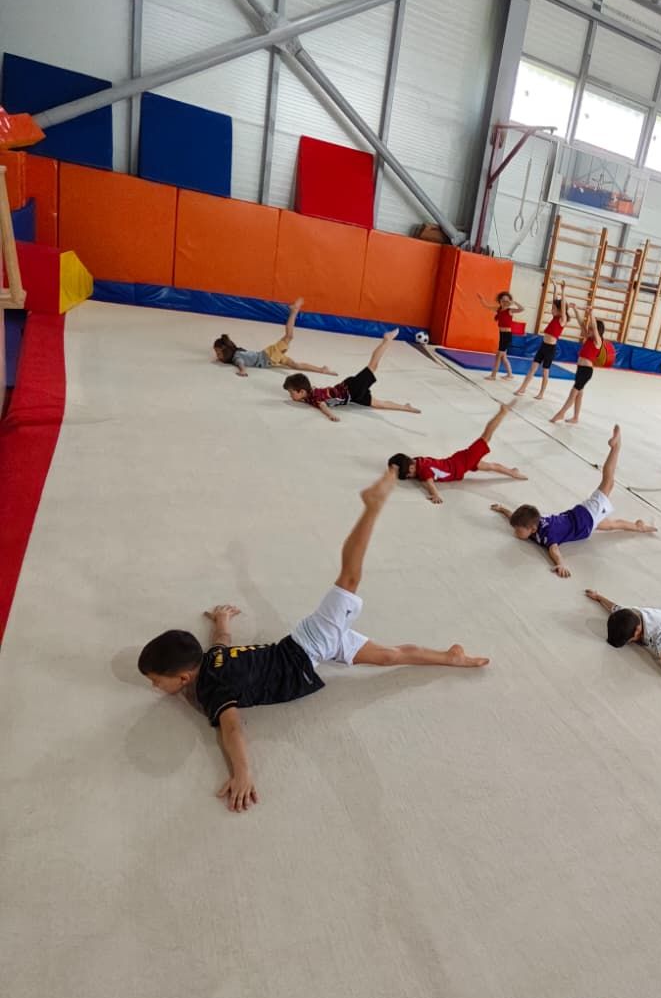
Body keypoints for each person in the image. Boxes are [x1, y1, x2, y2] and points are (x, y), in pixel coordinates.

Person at [136, 472, 489, 812]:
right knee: (387, 656)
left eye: (156, 680)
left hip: (310, 645)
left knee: (348, 579)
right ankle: (450, 657)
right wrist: (222, 619)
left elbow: (232, 729)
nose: (154, 687)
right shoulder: (211, 658)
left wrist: (242, 773)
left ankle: (372, 507)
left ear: (184, 677)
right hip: (308, 648)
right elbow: (221, 641)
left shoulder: (212, 688)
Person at [491, 424, 655, 577]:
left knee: (608, 481)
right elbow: (514, 517)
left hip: (586, 517)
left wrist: (560, 565)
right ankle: (638, 527)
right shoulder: (532, 522)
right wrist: (502, 509)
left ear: (532, 529)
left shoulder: (548, 534)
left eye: (519, 530)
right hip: (583, 520)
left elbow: (554, 551)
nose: (515, 532)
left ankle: (615, 447)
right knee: (611, 525)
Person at [388, 399, 526, 504]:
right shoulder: (417, 461)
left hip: (462, 463)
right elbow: (420, 475)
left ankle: (502, 412)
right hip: (458, 462)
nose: (410, 476)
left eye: (409, 474)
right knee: (489, 466)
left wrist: (435, 495)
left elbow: (430, 484)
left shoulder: (423, 470)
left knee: (486, 436)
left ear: (411, 466)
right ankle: (512, 472)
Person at [283, 329, 419, 421]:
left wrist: (331, 416)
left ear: (302, 391)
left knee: (373, 366)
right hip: (352, 397)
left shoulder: (315, 397)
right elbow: (311, 389)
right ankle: (405, 407)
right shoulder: (308, 395)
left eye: (291, 393)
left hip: (351, 388)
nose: (290, 396)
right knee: (378, 404)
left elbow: (323, 406)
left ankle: (387, 340)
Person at [212, 296, 334, 378]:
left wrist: (243, 371)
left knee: (289, 336)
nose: (217, 356)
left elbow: (240, 363)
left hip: (269, 356)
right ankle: (321, 369)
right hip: (270, 357)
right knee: (295, 365)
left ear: (226, 350)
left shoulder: (236, 356)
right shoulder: (237, 352)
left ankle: (294, 311)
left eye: (218, 353)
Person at [550, 309, 605, 425]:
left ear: (597, 331)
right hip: (580, 369)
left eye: (591, 328)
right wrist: (575, 310)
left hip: (586, 371)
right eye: (589, 328)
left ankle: (561, 413)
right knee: (579, 393)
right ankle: (575, 417)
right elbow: (581, 323)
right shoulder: (588, 338)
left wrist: (591, 314)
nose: (588, 330)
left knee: (574, 392)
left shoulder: (598, 341)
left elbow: (595, 328)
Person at [517, 283, 569, 400]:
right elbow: (555, 300)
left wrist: (563, 290)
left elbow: (563, 306)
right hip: (543, 346)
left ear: (560, 310)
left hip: (550, 349)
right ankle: (522, 388)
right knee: (533, 368)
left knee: (545, 372)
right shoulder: (555, 317)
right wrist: (555, 287)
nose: (552, 310)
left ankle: (541, 393)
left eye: (554, 309)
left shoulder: (562, 320)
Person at [478, 289, 523, 381]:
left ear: (509, 302)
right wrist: (482, 299)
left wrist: (514, 302)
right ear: (500, 301)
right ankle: (510, 375)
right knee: (503, 357)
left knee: (498, 355)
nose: (504, 302)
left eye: (506, 301)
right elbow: (486, 306)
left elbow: (522, 309)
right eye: (503, 300)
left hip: (507, 336)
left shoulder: (510, 311)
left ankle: (493, 375)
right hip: (502, 335)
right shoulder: (498, 309)